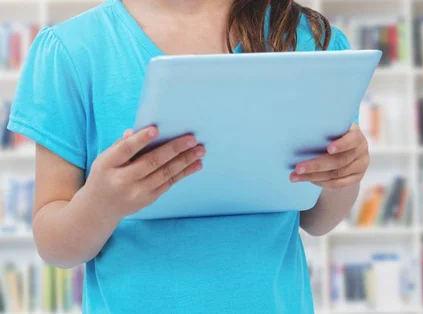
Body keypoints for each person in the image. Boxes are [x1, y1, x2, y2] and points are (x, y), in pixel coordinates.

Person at [7, 0, 370, 313]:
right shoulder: (74, 51)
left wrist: (344, 171)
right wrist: (101, 203)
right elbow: (54, 245)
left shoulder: (304, 39)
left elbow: (318, 220)